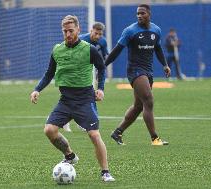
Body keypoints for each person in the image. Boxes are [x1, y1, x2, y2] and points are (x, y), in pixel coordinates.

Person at [30, 15, 115, 182]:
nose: (68, 34)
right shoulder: (57, 50)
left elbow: (101, 68)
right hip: (66, 100)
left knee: (94, 135)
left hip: (85, 99)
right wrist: (37, 89)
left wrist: (101, 89)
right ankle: (69, 155)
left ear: (78, 30)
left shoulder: (89, 49)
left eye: (71, 31)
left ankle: (105, 172)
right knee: (49, 130)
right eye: (65, 31)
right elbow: (49, 73)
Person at [106, 4, 171, 146]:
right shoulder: (130, 31)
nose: (139, 16)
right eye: (137, 14)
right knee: (148, 100)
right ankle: (155, 138)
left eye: (142, 13)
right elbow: (117, 50)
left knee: (138, 106)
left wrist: (165, 65)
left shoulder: (156, 30)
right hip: (135, 70)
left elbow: (158, 49)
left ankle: (117, 132)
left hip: (148, 71)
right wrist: (104, 64)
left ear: (149, 14)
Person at [63, 21, 109, 132]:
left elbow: (104, 58)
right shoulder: (81, 39)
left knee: (88, 95)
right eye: (95, 33)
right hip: (75, 70)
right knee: (73, 95)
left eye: (100, 34)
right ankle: (65, 121)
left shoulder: (103, 42)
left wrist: (100, 70)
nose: (97, 36)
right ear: (91, 31)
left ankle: (82, 122)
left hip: (89, 69)